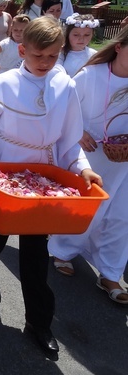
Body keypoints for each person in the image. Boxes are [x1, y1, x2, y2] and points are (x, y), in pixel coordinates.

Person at [0, 17, 102, 358]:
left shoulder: (66, 87)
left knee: (35, 254)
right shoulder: (2, 84)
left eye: (52, 56)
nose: (45, 63)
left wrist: (82, 169)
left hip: (42, 180)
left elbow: (70, 141)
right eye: (38, 56)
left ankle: (39, 323)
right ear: (22, 50)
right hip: (4, 173)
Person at [48, 28, 128, 303]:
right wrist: (78, 131)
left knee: (121, 216)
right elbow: (64, 108)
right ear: (119, 48)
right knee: (86, 208)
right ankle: (63, 250)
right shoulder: (90, 75)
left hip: (124, 161)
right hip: (89, 156)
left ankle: (110, 272)